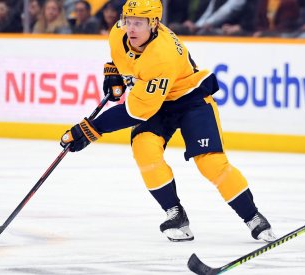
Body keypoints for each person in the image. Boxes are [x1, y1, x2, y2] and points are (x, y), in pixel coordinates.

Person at [60, 0, 277, 242]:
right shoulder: (119, 32)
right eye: (128, 21)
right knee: (144, 148)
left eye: (138, 23)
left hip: (190, 99)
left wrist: (93, 129)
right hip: (157, 101)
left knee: (211, 163)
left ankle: (254, 218)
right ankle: (176, 215)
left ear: (154, 24)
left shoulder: (162, 55)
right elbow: (122, 58)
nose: (130, 28)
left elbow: (135, 112)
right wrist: (113, 72)